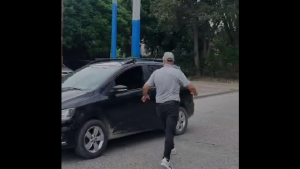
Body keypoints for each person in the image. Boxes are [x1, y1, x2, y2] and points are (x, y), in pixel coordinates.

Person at [142, 52, 198, 169]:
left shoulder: (156, 73)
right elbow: (191, 87)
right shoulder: (177, 72)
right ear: (172, 61)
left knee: (167, 129)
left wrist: (145, 95)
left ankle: (171, 147)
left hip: (160, 107)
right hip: (172, 106)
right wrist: (195, 92)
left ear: (163, 60)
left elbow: (145, 87)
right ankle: (166, 159)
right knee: (169, 131)